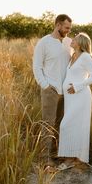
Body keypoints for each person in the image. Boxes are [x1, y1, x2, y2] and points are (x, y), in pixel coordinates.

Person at [32, 14, 72, 169]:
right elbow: (37, 66)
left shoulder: (69, 42)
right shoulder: (44, 42)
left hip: (66, 92)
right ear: (58, 25)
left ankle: (56, 154)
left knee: (61, 124)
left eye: (70, 28)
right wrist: (45, 85)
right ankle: (45, 158)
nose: (68, 31)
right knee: (47, 124)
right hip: (51, 90)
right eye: (66, 28)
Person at [57, 32, 92, 169]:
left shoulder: (86, 57)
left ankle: (69, 160)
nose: (71, 40)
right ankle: (72, 158)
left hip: (80, 97)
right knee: (73, 126)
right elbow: (61, 40)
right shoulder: (73, 55)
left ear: (80, 43)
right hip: (70, 97)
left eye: (74, 39)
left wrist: (77, 86)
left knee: (66, 125)